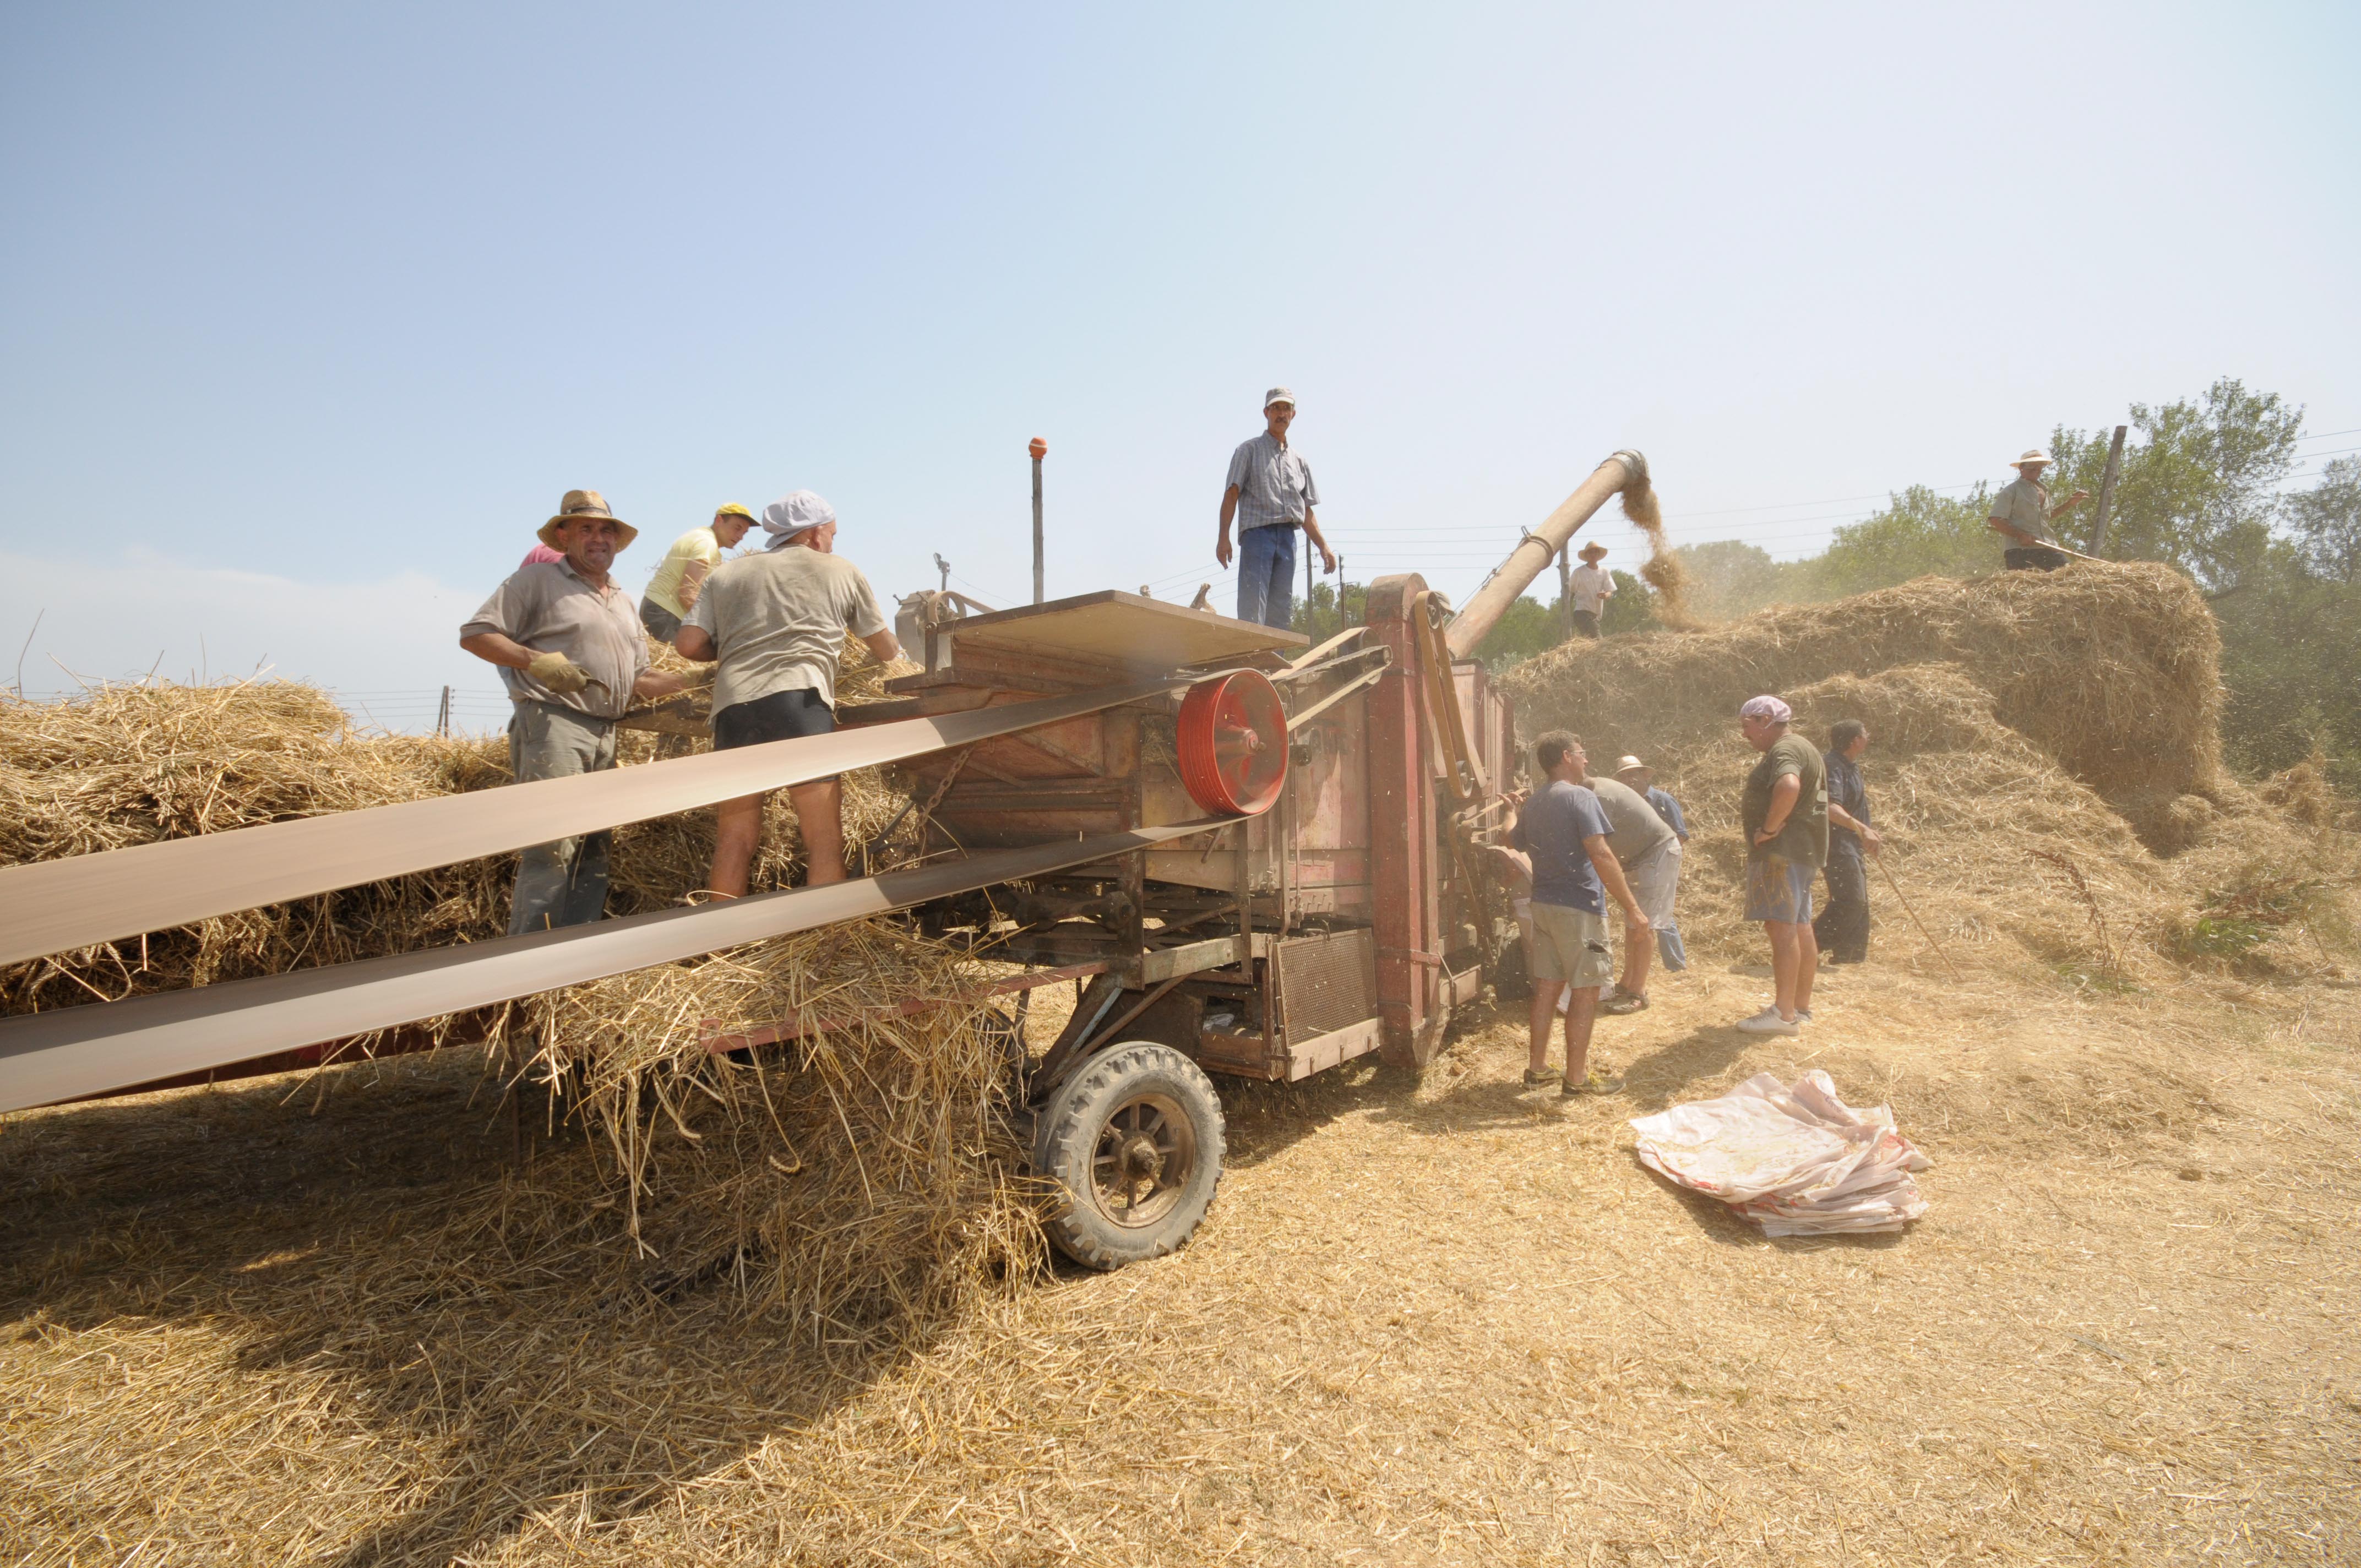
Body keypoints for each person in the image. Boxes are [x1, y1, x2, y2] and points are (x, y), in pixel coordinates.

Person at [461, 490, 689, 934]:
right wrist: (535, 661)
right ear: (563, 536)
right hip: (555, 725)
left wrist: (695, 683)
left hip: (607, 731)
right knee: (552, 844)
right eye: (586, 528)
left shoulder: (622, 600)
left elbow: (639, 678)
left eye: (607, 530)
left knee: (593, 845)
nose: (598, 538)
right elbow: (476, 635)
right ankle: (529, 960)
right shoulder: (537, 582)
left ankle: (575, 955)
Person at [674, 489, 900, 897]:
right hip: (800, 702)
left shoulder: (726, 575)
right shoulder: (840, 570)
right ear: (815, 535)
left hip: (734, 709)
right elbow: (885, 649)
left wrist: (730, 650)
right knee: (823, 838)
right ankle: (823, 940)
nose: (832, 543)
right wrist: (894, 651)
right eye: (832, 534)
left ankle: (722, 946)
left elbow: (689, 645)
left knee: (735, 839)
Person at [1508, 731, 1647, 1096]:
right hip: (1579, 907)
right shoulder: (1581, 797)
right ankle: (1577, 1080)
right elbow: (1601, 854)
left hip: (1544, 905)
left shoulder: (1536, 803)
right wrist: (1632, 907)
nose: (1586, 760)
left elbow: (1514, 841)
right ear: (1567, 757)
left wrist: (1511, 811)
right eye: (1582, 753)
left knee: (1547, 992)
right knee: (1586, 993)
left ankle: (1537, 1069)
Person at [1736, 695, 1828, 1035]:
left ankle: (1783, 1015)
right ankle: (1799, 1007)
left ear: (1765, 721)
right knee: (1801, 926)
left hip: (1780, 853)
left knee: (1781, 927)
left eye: (1747, 727)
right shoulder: (1806, 747)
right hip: (1802, 851)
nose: (1745, 735)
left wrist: (1769, 829)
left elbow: (1789, 786)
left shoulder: (1783, 750)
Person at [1565, 752, 1678, 1016]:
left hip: (1656, 852)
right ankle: (1627, 984)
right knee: (1633, 922)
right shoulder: (1594, 790)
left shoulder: (1599, 798)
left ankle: (1638, 993)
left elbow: (1597, 848)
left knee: (1642, 921)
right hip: (1639, 858)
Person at [1215, 387, 1337, 629]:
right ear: (1266, 413)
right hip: (1257, 535)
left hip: (1288, 539)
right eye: (1276, 409)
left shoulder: (1299, 461)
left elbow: (1306, 511)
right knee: (1253, 607)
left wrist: (1324, 547)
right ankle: (1253, 660)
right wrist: (1223, 538)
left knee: (1281, 609)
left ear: (1294, 414)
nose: (1281, 414)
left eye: (1286, 409)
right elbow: (1231, 495)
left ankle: (1276, 666)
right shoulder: (1248, 451)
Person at [1612, 754, 1690, 973]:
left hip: (1659, 862)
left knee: (1660, 913)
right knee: (1645, 913)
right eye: (1625, 776)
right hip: (1635, 865)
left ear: (1644, 775)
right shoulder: (1625, 805)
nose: (1631, 780)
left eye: (1634, 774)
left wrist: (1664, 862)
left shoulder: (1662, 801)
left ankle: (1676, 965)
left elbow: (1680, 834)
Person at [1814, 720, 1881, 964]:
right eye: (1865, 734)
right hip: (1836, 844)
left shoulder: (1850, 766)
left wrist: (1865, 834)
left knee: (1860, 903)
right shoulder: (1832, 766)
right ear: (1855, 741)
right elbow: (1830, 807)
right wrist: (1864, 830)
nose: (1868, 736)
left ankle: (1849, 957)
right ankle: (1806, 947)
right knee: (1851, 900)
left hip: (1850, 844)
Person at [640, 503, 755, 644]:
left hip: (659, 608)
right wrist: (720, 623)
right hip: (664, 612)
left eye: (744, 532)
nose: (741, 537)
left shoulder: (701, 537)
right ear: (719, 521)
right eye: (737, 528)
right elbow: (688, 594)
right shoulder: (707, 544)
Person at [1987, 448, 2090, 571]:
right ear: (2022, 468)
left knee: (2068, 574)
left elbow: (2047, 517)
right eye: (2032, 466)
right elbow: (1996, 520)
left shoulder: (2043, 491)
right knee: (2024, 586)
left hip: (2047, 545)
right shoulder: (2011, 491)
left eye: (2039, 467)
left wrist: (2069, 504)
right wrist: (2020, 535)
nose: (2037, 470)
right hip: (2019, 550)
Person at [1567, 542, 1613, 638]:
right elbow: (1571, 592)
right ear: (1587, 555)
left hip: (1595, 615)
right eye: (1590, 553)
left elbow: (1610, 591)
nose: (1593, 555)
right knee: (1598, 641)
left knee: (1589, 639)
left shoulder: (1604, 572)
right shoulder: (1579, 572)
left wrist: (1605, 595)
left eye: (1595, 552)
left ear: (1598, 555)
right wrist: (1567, 611)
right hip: (1582, 612)